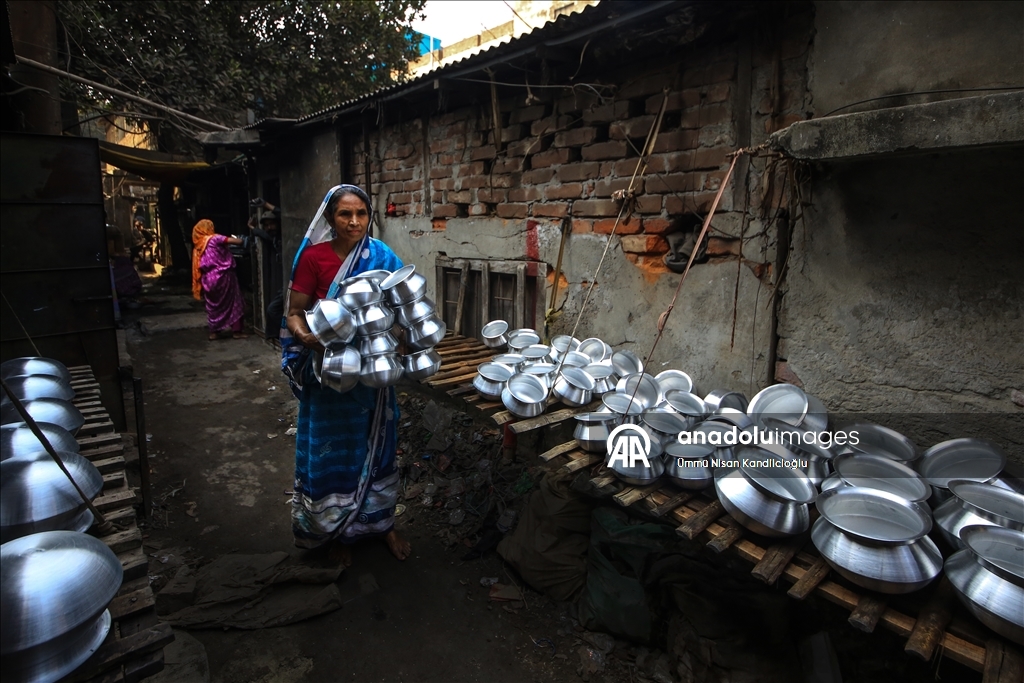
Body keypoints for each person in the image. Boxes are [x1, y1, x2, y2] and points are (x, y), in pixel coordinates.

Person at [282, 184, 411, 566]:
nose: (354, 222)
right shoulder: (314, 258)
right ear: (330, 218)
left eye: (361, 214)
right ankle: (335, 530)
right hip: (328, 374)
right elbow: (294, 313)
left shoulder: (380, 254)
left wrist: (406, 336)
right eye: (344, 214)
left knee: (379, 444)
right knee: (331, 450)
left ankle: (381, 523)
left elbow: (402, 301)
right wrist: (308, 339)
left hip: (373, 372)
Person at [191, 219, 247, 340]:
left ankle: (214, 333)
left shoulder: (199, 245)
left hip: (208, 280)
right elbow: (239, 241)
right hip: (224, 276)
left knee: (213, 306)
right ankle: (237, 331)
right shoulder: (215, 238)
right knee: (234, 302)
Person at [248, 199, 284, 332]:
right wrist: (253, 229)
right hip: (284, 280)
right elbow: (265, 235)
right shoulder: (274, 238)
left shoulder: (283, 235)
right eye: (267, 225)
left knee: (273, 309)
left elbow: (282, 214)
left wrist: (265, 204)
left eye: (272, 224)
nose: (269, 228)